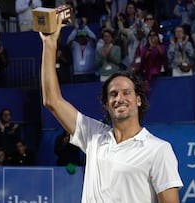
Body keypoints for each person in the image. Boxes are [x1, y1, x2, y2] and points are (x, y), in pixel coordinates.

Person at [39, 17, 183, 202]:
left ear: (138, 100)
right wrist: (49, 43)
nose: (119, 99)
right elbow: (52, 100)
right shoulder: (93, 135)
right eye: (113, 94)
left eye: (126, 93)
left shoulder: (159, 150)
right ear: (106, 104)